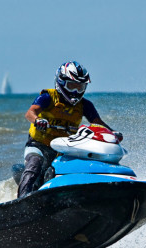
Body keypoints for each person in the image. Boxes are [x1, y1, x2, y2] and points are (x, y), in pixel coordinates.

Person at [17, 60, 121, 198]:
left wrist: (111, 134)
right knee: (34, 165)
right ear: (60, 83)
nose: (76, 91)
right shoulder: (47, 97)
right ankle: (22, 200)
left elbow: (97, 123)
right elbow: (30, 113)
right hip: (38, 146)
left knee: (74, 168)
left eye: (80, 87)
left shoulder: (85, 105)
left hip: (63, 149)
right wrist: (38, 120)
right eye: (72, 86)